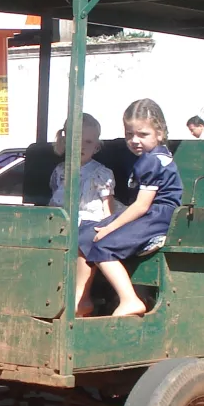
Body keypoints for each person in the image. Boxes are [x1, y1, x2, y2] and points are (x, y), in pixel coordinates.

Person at [74, 99, 182, 317]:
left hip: (158, 217)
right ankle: (81, 298)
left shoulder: (153, 161)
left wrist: (110, 227)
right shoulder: (150, 158)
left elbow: (142, 206)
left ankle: (129, 299)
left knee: (103, 245)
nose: (134, 140)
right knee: (84, 234)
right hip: (150, 214)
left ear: (160, 133)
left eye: (143, 134)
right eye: (129, 134)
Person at [48, 114, 115, 224]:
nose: (81, 146)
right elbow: (55, 195)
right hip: (61, 222)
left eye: (88, 142)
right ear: (65, 142)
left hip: (89, 223)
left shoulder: (100, 174)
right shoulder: (60, 170)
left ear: (96, 147)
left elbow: (108, 206)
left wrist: (107, 227)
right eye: (76, 140)